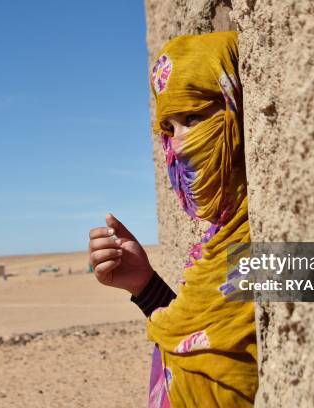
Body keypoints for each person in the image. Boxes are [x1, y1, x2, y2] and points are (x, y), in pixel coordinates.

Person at [88, 31, 257, 407]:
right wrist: (144, 285)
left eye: (194, 117)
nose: (177, 144)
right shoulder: (217, 246)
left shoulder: (269, 244)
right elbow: (198, 345)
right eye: (169, 128)